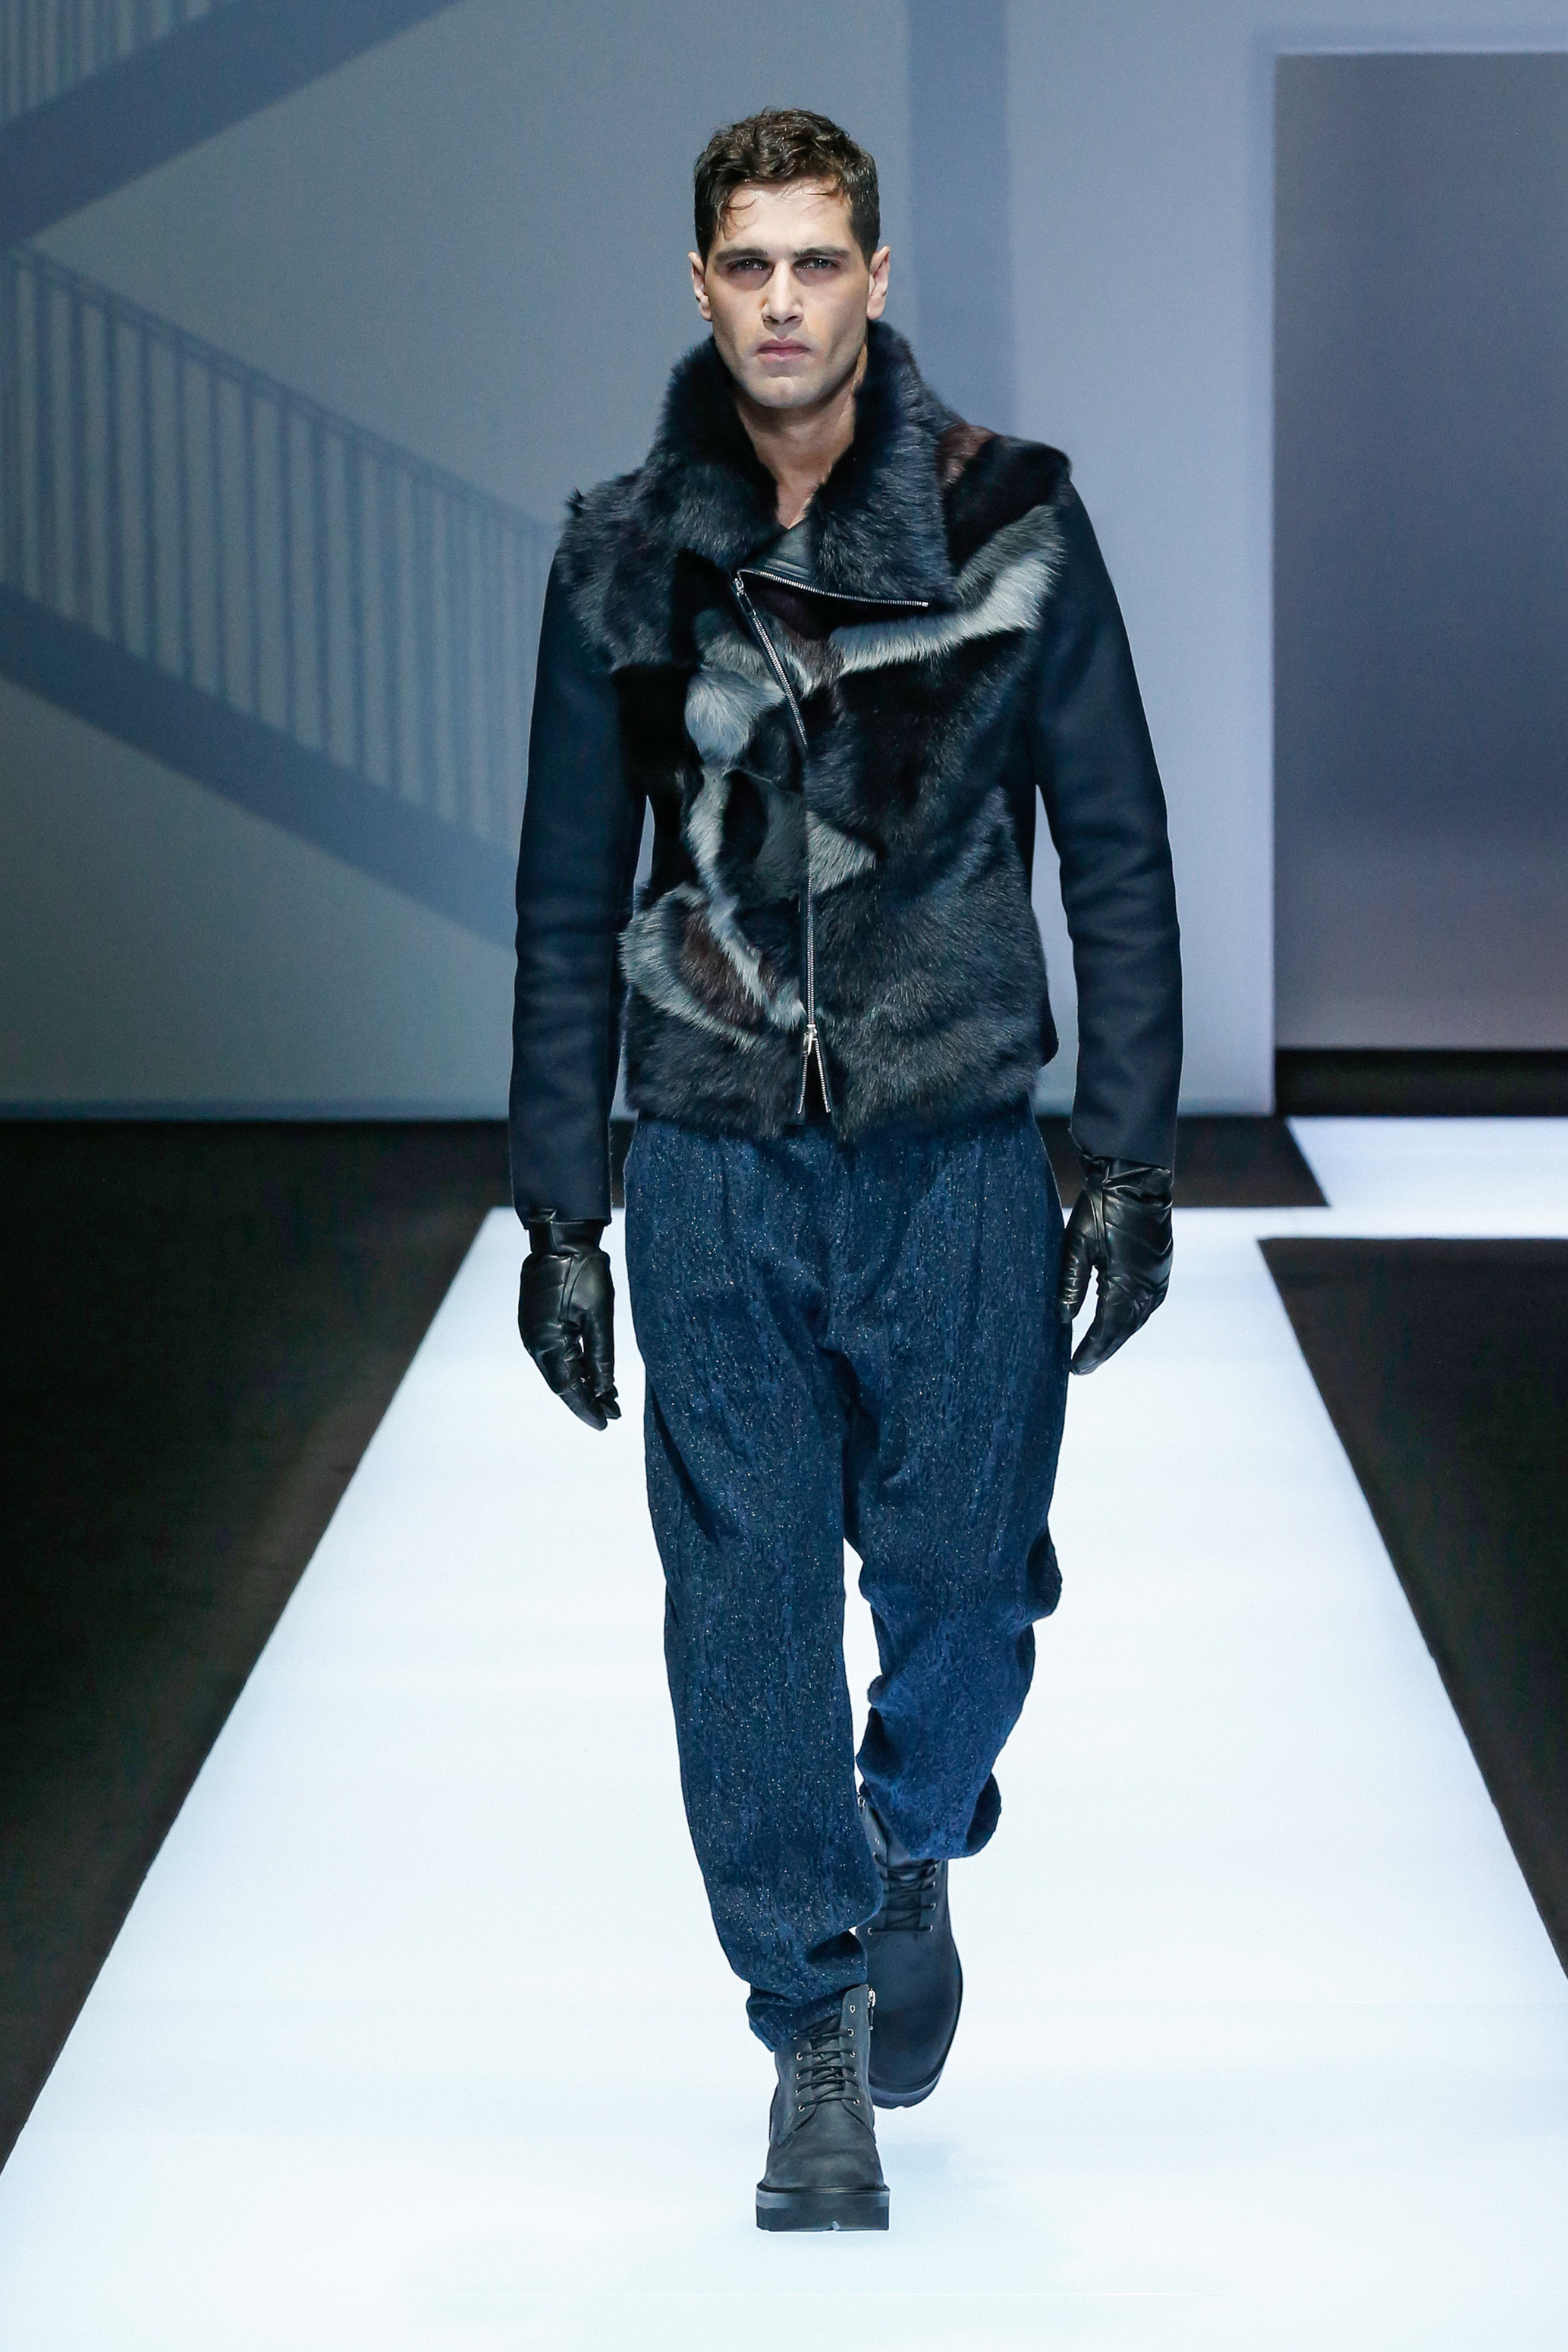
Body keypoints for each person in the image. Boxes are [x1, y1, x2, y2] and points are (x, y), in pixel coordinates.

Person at [511, 108, 1181, 2234]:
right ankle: (810, 2027)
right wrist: (560, 1207)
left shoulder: (1010, 524)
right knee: (744, 1603)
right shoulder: (622, 552)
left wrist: (1128, 1154)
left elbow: (1117, 846)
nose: (785, 302)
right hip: (712, 1150)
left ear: (876, 279)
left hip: (954, 1139)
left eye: (819, 262)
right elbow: (563, 895)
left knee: (969, 1579)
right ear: (700, 285)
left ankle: (911, 1833)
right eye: (750, 264)